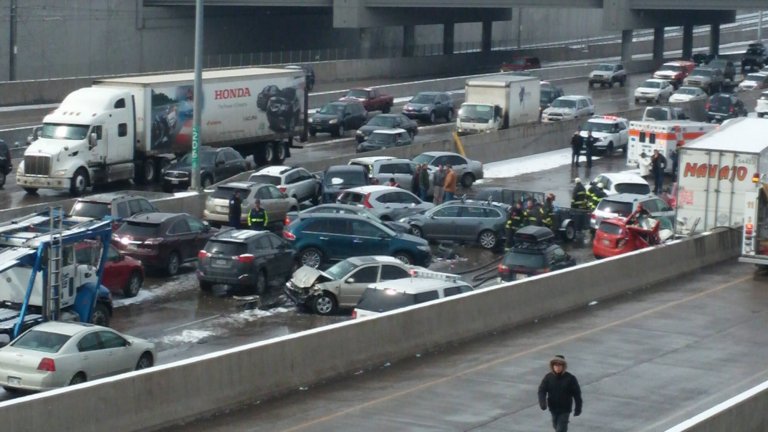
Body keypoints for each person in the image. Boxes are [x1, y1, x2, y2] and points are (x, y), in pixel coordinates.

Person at [538, 355, 582, 432]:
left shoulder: (570, 378)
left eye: (560, 365)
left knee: (561, 429)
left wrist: (578, 408)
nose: (557, 367)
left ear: (563, 366)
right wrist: (542, 403)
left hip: (565, 409)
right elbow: (542, 390)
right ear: (552, 366)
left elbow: (577, 394)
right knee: (555, 425)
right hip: (553, 408)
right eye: (555, 365)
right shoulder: (548, 378)